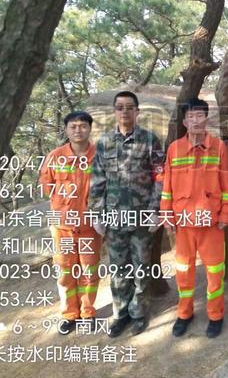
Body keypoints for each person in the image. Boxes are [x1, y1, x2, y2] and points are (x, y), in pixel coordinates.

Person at [88, 91, 164, 337]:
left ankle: (138, 312)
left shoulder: (150, 140)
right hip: (114, 219)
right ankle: (121, 314)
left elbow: (160, 178)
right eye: (120, 107)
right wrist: (97, 214)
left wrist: (155, 211)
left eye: (129, 107)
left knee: (141, 267)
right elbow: (97, 181)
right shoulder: (104, 142)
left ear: (137, 112)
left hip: (141, 217)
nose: (124, 112)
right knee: (119, 269)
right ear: (114, 111)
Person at [161, 98, 228, 339]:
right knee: (184, 270)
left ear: (206, 119)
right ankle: (184, 313)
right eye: (191, 117)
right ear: (184, 121)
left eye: (200, 116)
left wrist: (225, 213)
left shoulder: (218, 147)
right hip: (183, 223)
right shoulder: (174, 149)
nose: (196, 121)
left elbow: (227, 183)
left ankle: (215, 315)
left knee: (214, 271)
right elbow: (167, 187)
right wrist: (166, 214)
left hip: (211, 221)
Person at [39, 111, 101, 335]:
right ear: (66, 130)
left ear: (89, 128)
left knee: (89, 270)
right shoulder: (55, 156)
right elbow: (47, 186)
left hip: (90, 227)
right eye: (73, 126)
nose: (78, 130)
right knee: (65, 271)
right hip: (62, 228)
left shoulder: (99, 156)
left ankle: (88, 312)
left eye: (83, 126)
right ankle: (69, 314)